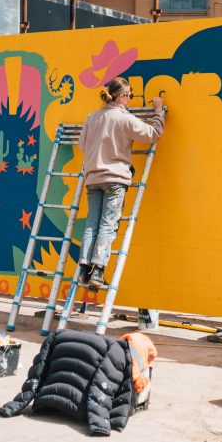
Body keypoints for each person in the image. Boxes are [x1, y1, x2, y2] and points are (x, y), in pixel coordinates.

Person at [77, 77, 164, 289]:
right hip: (115, 180)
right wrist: (158, 112)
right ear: (123, 96)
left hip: (93, 178)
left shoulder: (93, 117)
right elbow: (153, 134)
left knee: (91, 224)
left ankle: (83, 269)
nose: (131, 100)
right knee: (108, 224)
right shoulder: (125, 119)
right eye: (130, 96)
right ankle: (98, 271)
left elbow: (82, 145)